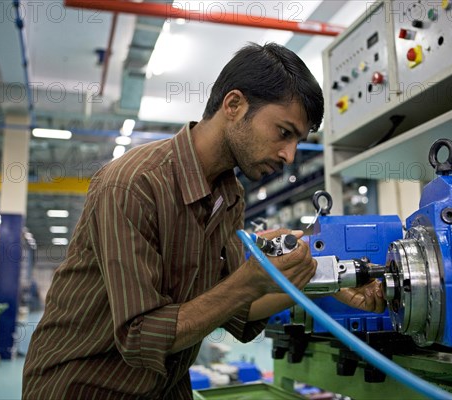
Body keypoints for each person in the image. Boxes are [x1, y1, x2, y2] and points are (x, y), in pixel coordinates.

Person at [22, 42, 385, 399]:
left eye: (298, 141)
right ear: (234, 105)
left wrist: (316, 279)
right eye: (284, 132)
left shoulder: (229, 196)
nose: (290, 155)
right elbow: (140, 336)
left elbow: (235, 311)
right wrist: (247, 282)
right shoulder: (134, 185)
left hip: (164, 386)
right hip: (84, 386)